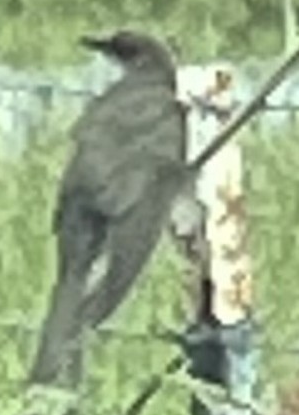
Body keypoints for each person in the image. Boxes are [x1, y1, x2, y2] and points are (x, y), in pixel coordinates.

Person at [29, 31, 187, 384]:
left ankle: (48, 381)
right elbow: (146, 192)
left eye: (120, 53)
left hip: (82, 205)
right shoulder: (168, 109)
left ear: (140, 63)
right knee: (76, 311)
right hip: (108, 203)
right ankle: (55, 374)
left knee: (68, 296)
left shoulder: (111, 102)